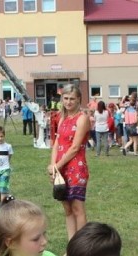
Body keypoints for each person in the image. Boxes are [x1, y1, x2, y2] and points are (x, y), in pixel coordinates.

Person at [47, 83, 90, 244]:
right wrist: (53, 166)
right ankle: (72, 246)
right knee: (67, 209)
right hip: (61, 168)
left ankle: (82, 246)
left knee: (78, 208)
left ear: (79, 99)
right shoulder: (62, 118)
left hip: (76, 168)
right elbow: (57, 143)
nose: (68, 102)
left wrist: (57, 166)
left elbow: (75, 148)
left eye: (72, 99)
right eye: (65, 98)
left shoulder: (82, 118)